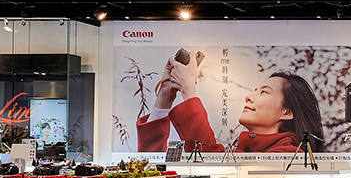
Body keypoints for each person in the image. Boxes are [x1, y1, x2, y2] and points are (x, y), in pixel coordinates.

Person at [136, 53, 324, 153]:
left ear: (287, 112)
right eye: (255, 90)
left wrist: (188, 90)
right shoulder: (239, 151)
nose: (249, 96)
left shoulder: (290, 155)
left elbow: (210, 160)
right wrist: (165, 96)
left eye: (264, 92)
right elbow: (152, 168)